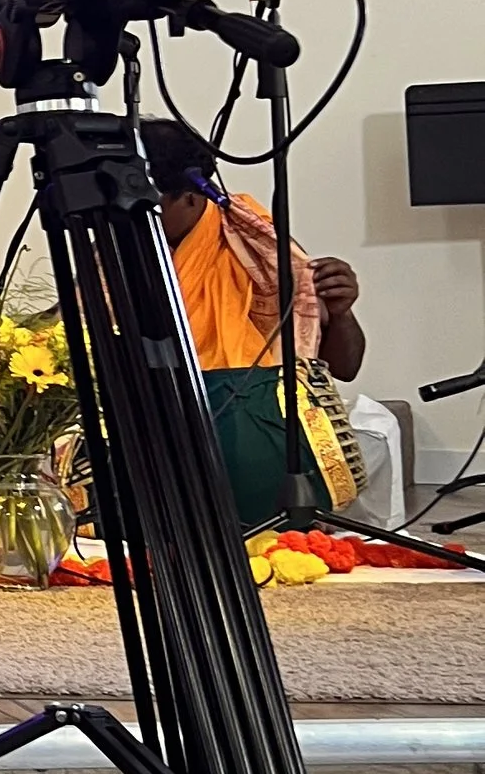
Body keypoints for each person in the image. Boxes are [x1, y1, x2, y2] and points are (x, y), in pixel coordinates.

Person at [141, 118, 378, 514]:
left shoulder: (258, 254)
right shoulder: (118, 256)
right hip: (152, 431)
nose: (138, 215)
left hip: (250, 431)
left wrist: (341, 313)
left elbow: (345, 367)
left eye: (153, 203)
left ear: (191, 195)